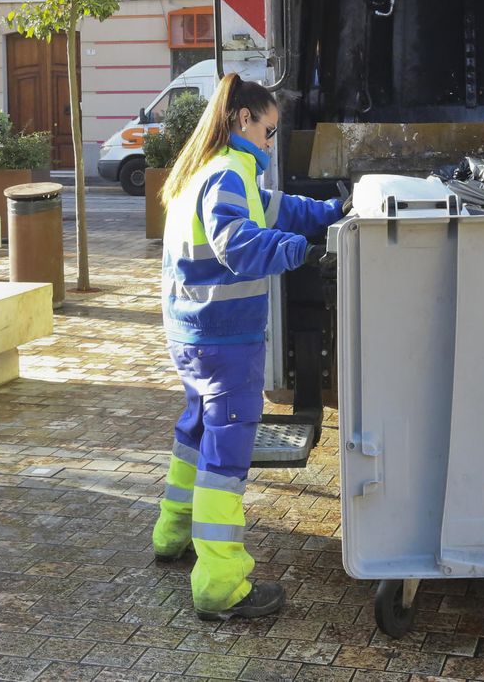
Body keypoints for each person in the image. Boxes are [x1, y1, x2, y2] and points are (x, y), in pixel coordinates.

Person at [150, 74, 346, 622]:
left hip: (190, 334)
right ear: (243, 120)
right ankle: (219, 584)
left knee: (196, 431)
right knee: (227, 455)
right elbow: (236, 242)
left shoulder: (203, 172)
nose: (270, 142)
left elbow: (280, 208)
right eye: (268, 131)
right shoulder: (230, 173)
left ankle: (171, 535)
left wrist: (334, 208)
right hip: (225, 337)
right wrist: (302, 254)